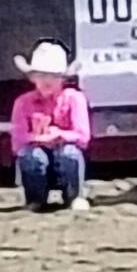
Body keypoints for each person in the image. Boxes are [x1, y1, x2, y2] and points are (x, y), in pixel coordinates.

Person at [9, 40, 91, 212]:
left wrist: (59, 135)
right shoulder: (22, 102)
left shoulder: (75, 99)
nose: (47, 81)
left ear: (62, 78)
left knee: (70, 153)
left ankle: (74, 197)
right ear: (33, 78)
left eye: (53, 76)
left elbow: (83, 136)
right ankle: (35, 200)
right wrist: (41, 139)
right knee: (31, 157)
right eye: (41, 75)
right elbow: (17, 141)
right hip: (36, 153)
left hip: (65, 153)